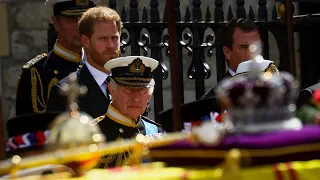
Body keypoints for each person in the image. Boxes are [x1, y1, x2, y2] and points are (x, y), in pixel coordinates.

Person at [15, 0, 100, 115]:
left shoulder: (100, 65)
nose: (79, 27)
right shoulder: (37, 73)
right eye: (72, 20)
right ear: (56, 24)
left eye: (84, 20)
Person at [47, 6, 122, 118]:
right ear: (85, 41)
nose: (111, 45)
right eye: (103, 39)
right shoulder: (65, 91)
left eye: (114, 38)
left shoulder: (128, 82)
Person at [95, 56, 163, 168]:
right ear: (112, 90)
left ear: (149, 95)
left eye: (141, 90)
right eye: (128, 90)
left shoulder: (156, 131)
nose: (136, 98)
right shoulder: (94, 133)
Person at [201, 18, 279, 99]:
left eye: (256, 46)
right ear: (227, 52)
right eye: (244, 47)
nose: (252, 52)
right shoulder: (213, 98)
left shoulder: (275, 88)